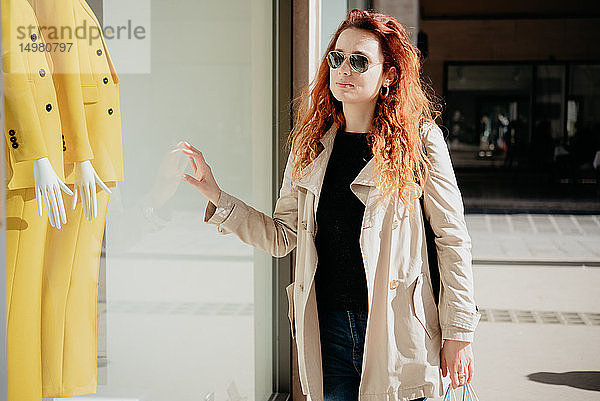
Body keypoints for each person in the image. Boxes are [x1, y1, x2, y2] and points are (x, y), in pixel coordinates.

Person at [181, 9, 480, 401]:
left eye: (360, 61)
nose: (344, 69)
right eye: (337, 58)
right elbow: (282, 236)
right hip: (328, 330)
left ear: (389, 74)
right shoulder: (313, 144)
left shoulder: (419, 143)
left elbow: (452, 239)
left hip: (397, 329)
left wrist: (459, 332)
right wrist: (217, 197)